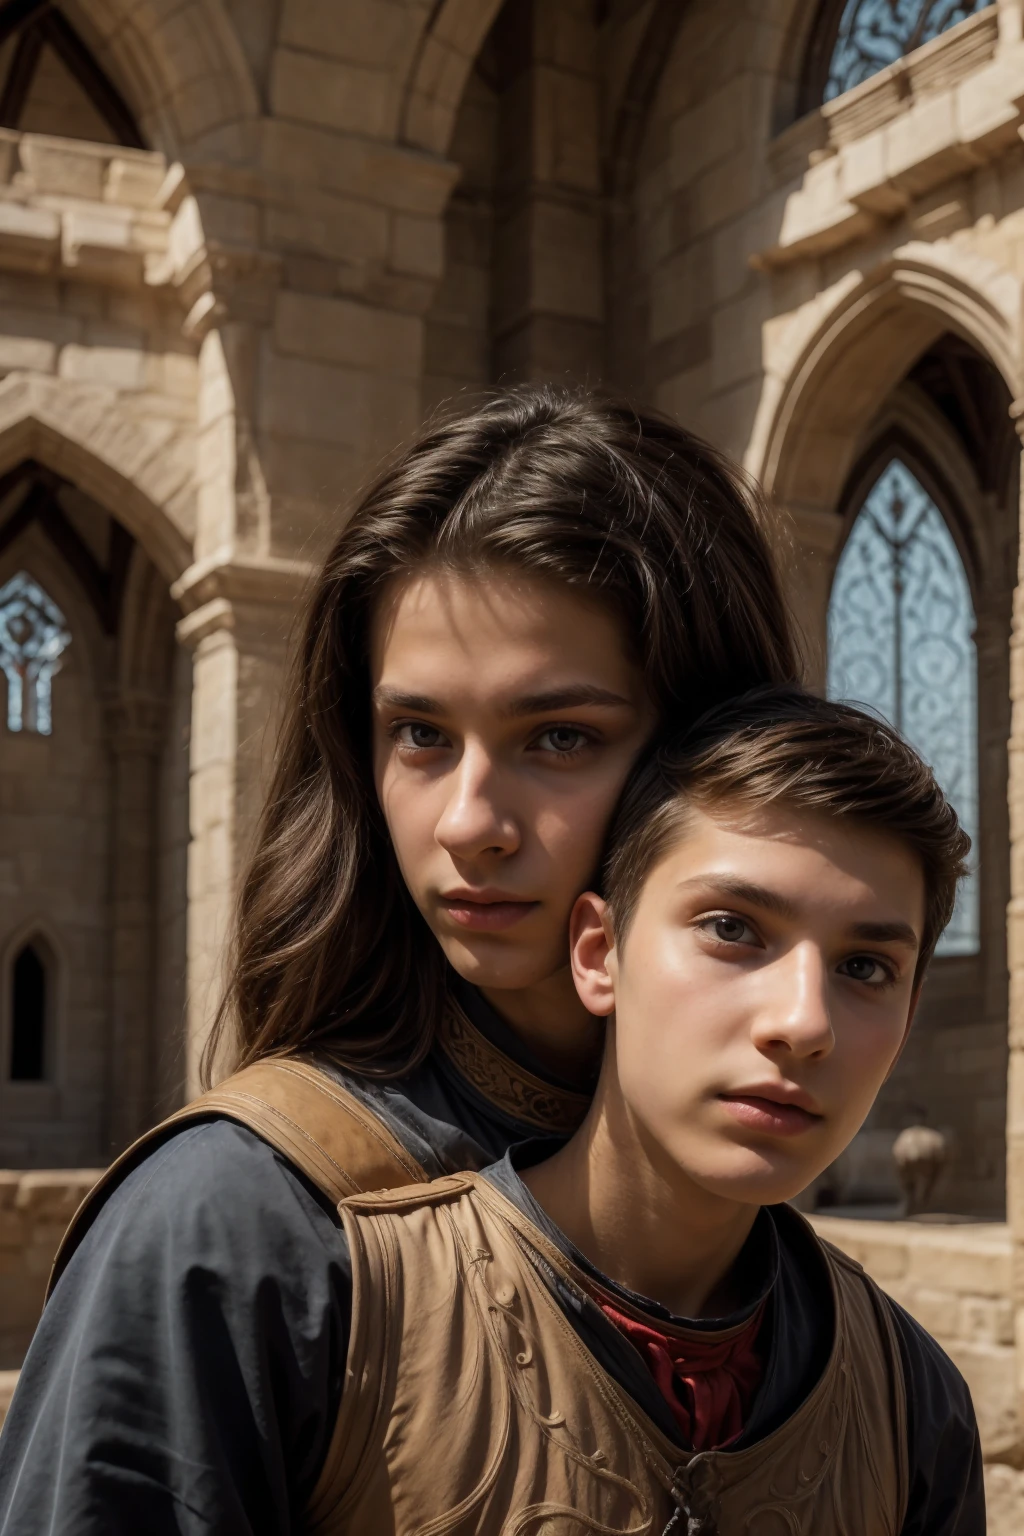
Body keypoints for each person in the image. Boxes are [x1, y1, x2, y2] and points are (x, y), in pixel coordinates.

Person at [0, 387, 797, 1533]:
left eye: (559, 737)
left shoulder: (863, 1354)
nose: (469, 819)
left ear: (715, 756)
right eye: (420, 734)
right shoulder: (232, 1230)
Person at [316, 688, 983, 1536]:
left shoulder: (911, 1404)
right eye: (732, 930)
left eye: (864, 969)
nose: (804, 1023)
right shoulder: (341, 1317)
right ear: (600, 955)